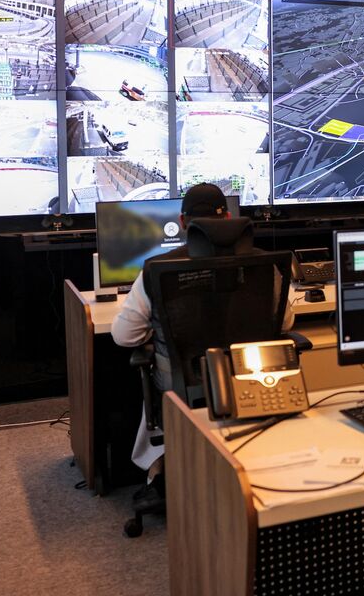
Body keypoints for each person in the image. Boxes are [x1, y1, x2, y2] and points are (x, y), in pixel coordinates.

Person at [111, 184, 295, 499]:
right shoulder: (265, 265)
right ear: (228, 218)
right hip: (251, 377)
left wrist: (162, 331)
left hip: (185, 384)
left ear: (183, 222)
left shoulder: (159, 269)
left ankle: (162, 475)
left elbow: (124, 336)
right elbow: (285, 321)